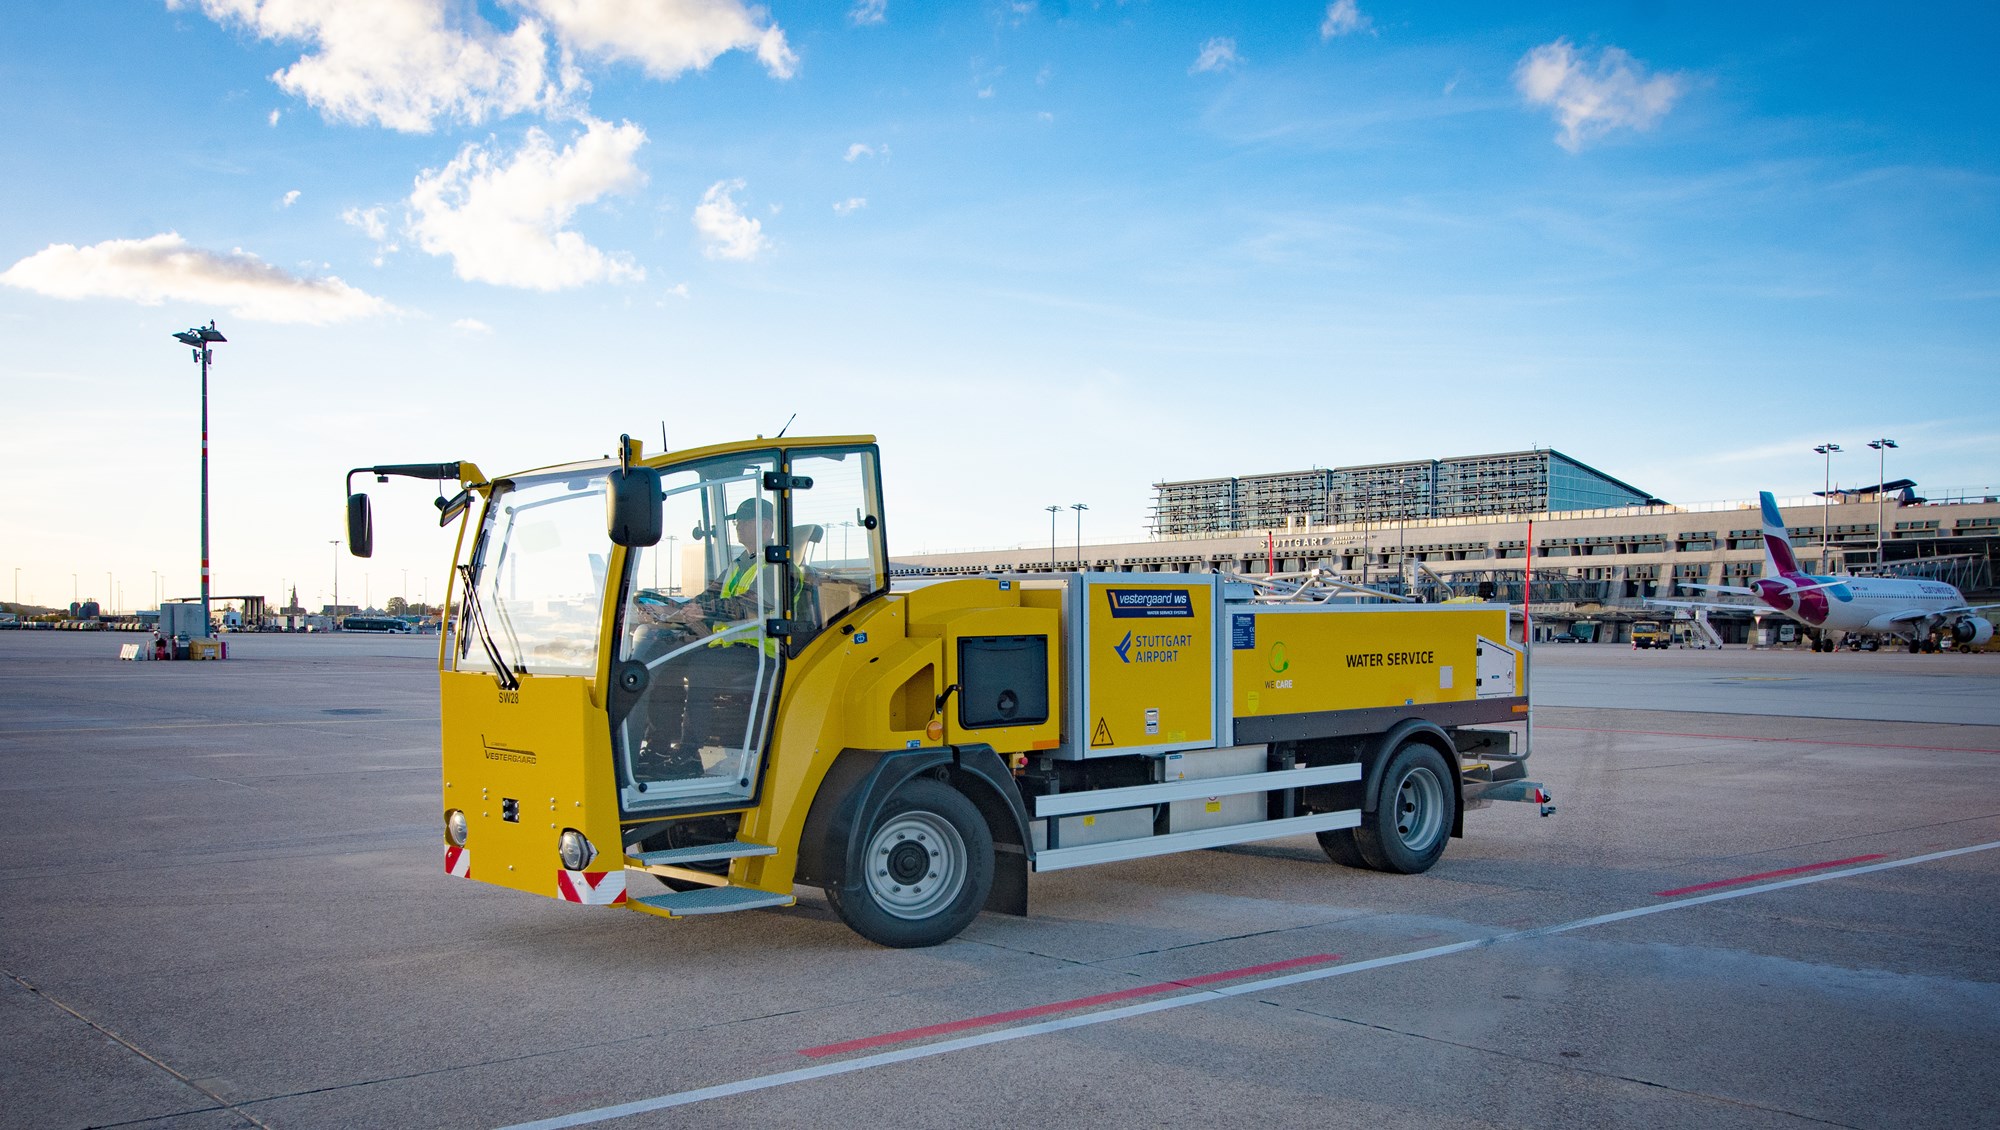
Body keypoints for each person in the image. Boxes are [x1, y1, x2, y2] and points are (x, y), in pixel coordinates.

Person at [628, 496, 789, 784]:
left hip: (764, 652)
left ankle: (690, 753)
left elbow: (753, 604)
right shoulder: (739, 564)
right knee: (670, 664)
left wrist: (705, 610)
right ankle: (659, 747)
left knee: (702, 667)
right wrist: (676, 610)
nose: (738, 527)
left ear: (765, 526)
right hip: (729, 647)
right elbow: (710, 597)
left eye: (743, 521)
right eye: (737, 522)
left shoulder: (777, 564)